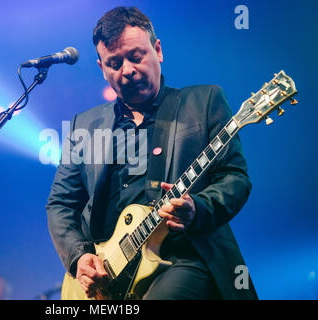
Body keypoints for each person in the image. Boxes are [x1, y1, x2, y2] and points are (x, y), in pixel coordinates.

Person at [46, 6, 257, 299]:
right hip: (109, 275)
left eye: (136, 57)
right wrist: (79, 257)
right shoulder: (86, 124)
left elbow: (234, 177)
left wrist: (198, 207)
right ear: (101, 68)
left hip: (183, 256)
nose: (128, 70)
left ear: (157, 50)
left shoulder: (204, 102)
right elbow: (61, 204)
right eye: (114, 63)